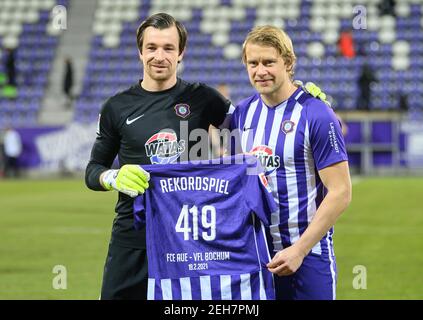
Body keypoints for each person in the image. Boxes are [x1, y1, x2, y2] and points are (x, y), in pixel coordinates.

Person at [85, 13, 233, 300]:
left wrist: (295, 98)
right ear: (140, 52)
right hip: (133, 239)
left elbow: (252, 125)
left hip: (189, 239)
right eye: (152, 47)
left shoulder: (203, 98)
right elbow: (93, 169)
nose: (159, 56)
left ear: (181, 53)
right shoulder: (117, 107)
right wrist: (113, 177)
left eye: (168, 48)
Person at [230, 26, 352, 300]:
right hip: (257, 256)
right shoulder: (242, 114)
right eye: (253, 63)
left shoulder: (317, 114)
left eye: (269, 62)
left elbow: (341, 192)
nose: (260, 71)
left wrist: (299, 250)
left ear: (288, 62)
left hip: (308, 256)